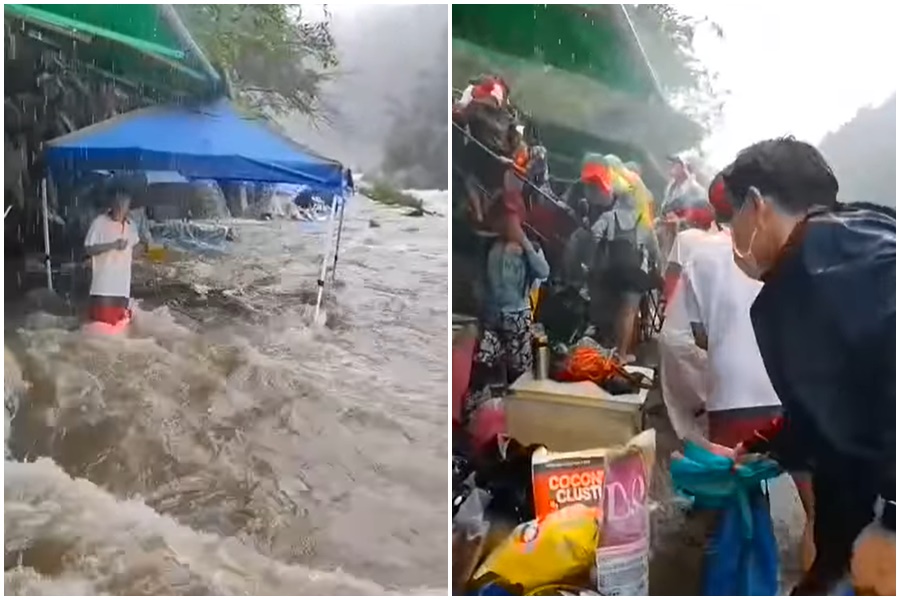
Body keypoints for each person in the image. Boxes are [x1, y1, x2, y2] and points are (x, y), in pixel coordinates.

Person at [717, 137, 894, 595]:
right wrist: (764, 446)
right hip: (850, 524)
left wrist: (893, 523)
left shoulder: (835, 267)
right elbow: (842, 401)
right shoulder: (846, 244)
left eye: (729, 219)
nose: (730, 236)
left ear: (756, 206)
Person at [472, 173, 550, 387]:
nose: (507, 223)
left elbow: (544, 272)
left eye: (511, 218)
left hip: (517, 317)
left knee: (519, 372)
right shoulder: (489, 245)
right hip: (492, 317)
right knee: (484, 365)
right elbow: (480, 279)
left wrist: (524, 243)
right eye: (503, 218)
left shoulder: (530, 248)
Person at [589, 186, 661, 363]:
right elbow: (655, 251)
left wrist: (600, 246)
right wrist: (656, 265)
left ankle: (608, 351)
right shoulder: (644, 221)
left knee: (613, 310)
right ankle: (621, 354)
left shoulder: (609, 216)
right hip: (634, 273)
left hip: (611, 271)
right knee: (628, 313)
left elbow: (594, 232)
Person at [84, 187, 142, 326]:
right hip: (103, 288)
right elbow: (89, 249)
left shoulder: (131, 225)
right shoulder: (99, 222)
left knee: (119, 329)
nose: (120, 207)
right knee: (99, 328)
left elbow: (136, 247)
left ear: (129, 206)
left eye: (124, 203)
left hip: (122, 288)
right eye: (118, 203)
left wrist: (140, 250)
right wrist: (112, 245)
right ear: (112, 203)